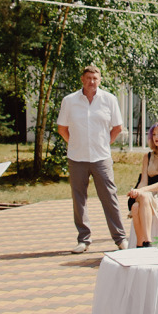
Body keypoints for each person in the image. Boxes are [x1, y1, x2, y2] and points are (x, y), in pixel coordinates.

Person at [57, 65, 126, 254]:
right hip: (77, 158)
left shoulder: (109, 100)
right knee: (79, 199)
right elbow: (62, 128)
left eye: (95, 78)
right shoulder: (69, 101)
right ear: (82, 79)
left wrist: (104, 142)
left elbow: (117, 127)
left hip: (101, 157)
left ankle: (120, 239)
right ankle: (83, 239)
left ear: (100, 80)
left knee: (110, 197)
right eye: (88, 78)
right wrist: (75, 143)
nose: (92, 82)